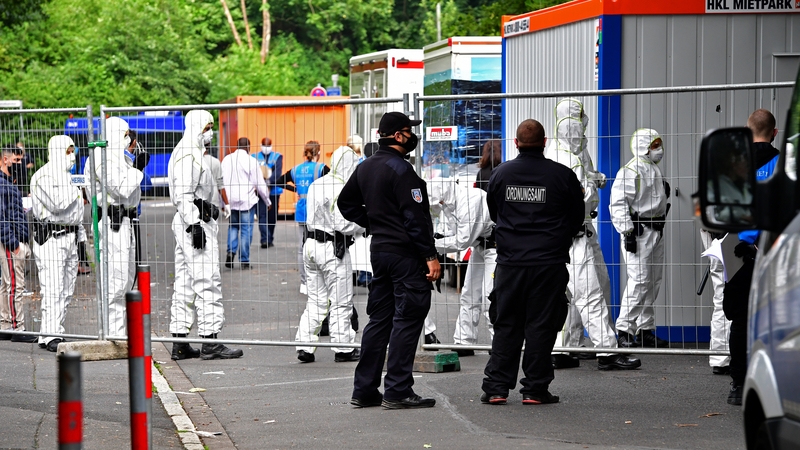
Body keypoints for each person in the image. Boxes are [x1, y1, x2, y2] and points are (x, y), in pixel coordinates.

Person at [339, 111, 440, 409]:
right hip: (405, 256)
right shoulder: (402, 171)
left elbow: (345, 203)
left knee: (379, 320)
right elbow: (415, 219)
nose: (413, 137)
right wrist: (430, 256)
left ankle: (365, 389)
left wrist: (373, 223)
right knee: (408, 319)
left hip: (380, 251)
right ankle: (397, 390)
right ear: (397, 135)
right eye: (409, 131)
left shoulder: (366, 166)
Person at [480, 119, 584, 406]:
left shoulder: (501, 174)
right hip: (548, 263)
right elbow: (577, 217)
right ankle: (535, 390)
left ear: (516, 143)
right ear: (544, 142)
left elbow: (494, 211)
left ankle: (496, 388)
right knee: (542, 325)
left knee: (506, 323)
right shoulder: (562, 175)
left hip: (510, 263)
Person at [545, 98, 641, 371]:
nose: (582, 132)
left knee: (578, 291)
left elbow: (586, 177)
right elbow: (580, 198)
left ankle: (566, 347)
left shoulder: (569, 153)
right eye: (578, 125)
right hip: (575, 235)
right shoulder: (566, 158)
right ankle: (607, 352)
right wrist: (590, 189)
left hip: (579, 231)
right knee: (590, 293)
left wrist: (594, 178)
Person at [168, 109, 243, 361]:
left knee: (186, 283)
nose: (210, 132)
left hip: (191, 222)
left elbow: (189, 193)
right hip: (195, 225)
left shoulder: (187, 151)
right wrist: (194, 224)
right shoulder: (188, 154)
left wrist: (198, 210)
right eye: (207, 127)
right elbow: (183, 194)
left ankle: (180, 340)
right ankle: (211, 340)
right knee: (207, 279)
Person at [724, 108, 779, 406]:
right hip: (775, 255)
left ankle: (739, 384)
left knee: (740, 321)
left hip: (739, 255)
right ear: (774, 132)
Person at [295, 145, 364, 363]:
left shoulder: (318, 183)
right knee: (341, 300)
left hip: (311, 245)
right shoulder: (341, 187)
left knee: (315, 299)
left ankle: (304, 345)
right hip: (332, 248)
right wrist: (364, 223)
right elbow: (342, 224)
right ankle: (343, 347)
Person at [609, 128, 670, 349]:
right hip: (639, 233)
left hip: (657, 230)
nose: (659, 150)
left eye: (659, 145)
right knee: (639, 282)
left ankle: (646, 330)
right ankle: (624, 330)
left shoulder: (654, 170)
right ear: (643, 147)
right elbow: (617, 203)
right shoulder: (630, 171)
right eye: (655, 146)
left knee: (653, 282)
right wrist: (627, 232)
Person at [427, 177, 495, 357]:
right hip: (481, 247)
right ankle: (464, 341)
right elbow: (452, 233)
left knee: (491, 296)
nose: (439, 204)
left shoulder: (472, 200)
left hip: (497, 248)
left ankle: (500, 343)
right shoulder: (450, 205)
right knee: (469, 294)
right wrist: (437, 237)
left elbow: (463, 240)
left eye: (440, 201)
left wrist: (431, 244)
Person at [29, 136, 83, 351]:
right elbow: (58, 204)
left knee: (66, 289)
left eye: (73, 151)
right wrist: (76, 186)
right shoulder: (42, 176)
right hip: (51, 238)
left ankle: (53, 331)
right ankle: (51, 336)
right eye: (69, 151)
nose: (72, 156)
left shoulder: (68, 177)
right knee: (52, 288)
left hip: (70, 236)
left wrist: (79, 239)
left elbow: (78, 211)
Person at [91, 117, 143, 338]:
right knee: (116, 280)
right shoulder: (101, 158)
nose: (128, 140)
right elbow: (122, 189)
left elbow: (132, 193)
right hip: (113, 223)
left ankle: (118, 331)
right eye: (125, 135)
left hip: (125, 221)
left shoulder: (118, 157)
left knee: (127, 279)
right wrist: (137, 169)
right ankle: (115, 334)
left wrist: (133, 166)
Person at [276, 141, 329, 294]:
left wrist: (295, 189)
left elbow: (278, 181)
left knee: (302, 248)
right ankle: (319, 280)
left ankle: (304, 282)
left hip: (301, 210)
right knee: (321, 244)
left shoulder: (296, 169)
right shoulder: (321, 168)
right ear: (318, 152)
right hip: (318, 211)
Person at [0, 145, 36, 343]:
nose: (20, 164)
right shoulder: (2, 184)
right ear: (5, 160)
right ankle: (17, 326)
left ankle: (6, 324)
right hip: (10, 242)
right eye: (16, 161)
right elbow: (1, 217)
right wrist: (13, 243)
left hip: (12, 240)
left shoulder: (8, 183)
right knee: (15, 285)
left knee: (7, 285)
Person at [221, 137, 271, 269]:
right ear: (248, 147)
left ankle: (230, 253)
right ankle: (244, 260)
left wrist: (223, 203)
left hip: (231, 201)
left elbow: (221, 181)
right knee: (245, 230)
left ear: (237, 146)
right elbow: (259, 183)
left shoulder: (227, 159)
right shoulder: (251, 161)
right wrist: (267, 200)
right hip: (246, 201)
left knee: (233, 227)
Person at [253, 137, 282, 248]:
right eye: (264, 145)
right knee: (262, 215)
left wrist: (268, 182)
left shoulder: (277, 157)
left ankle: (270, 237)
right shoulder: (254, 157)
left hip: (274, 191)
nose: (266, 148)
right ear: (261, 145)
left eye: (268, 145)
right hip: (259, 192)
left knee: (272, 216)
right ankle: (265, 239)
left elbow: (277, 172)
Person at [202, 143, 230, 217]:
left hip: (197, 201)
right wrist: (226, 203)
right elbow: (220, 184)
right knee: (212, 227)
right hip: (213, 200)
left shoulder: (192, 161)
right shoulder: (215, 162)